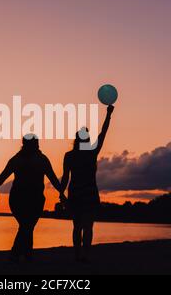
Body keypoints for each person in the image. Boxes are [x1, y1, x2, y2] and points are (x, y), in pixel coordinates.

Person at [0, 134, 62, 262]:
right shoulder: (29, 159)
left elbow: (53, 178)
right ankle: (19, 253)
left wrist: (62, 193)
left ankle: (24, 254)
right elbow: (4, 174)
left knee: (26, 226)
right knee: (27, 226)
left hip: (32, 199)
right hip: (21, 199)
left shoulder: (36, 159)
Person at [60, 105, 115, 262]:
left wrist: (61, 193)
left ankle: (78, 255)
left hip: (76, 194)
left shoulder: (69, 156)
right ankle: (85, 255)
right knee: (87, 227)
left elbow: (65, 178)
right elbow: (103, 133)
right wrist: (108, 114)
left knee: (77, 227)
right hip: (89, 194)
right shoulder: (91, 153)